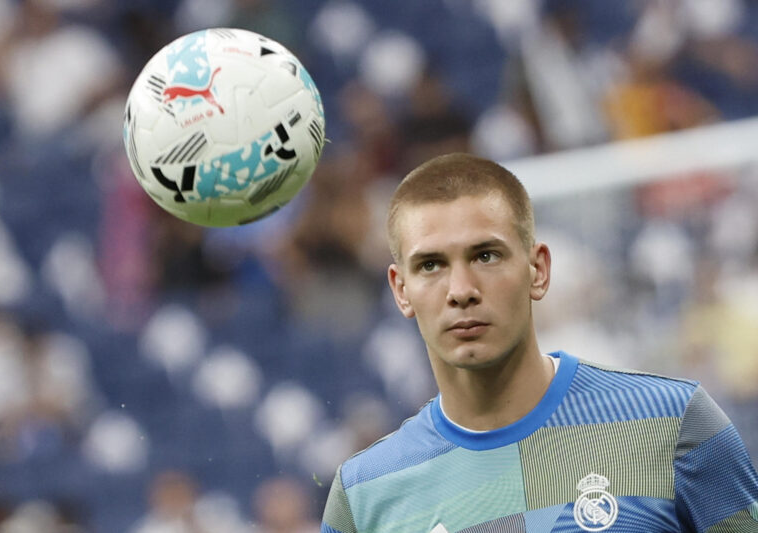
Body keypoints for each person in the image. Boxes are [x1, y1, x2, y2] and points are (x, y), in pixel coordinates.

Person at [319, 153, 758, 533]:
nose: (461, 289)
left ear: (538, 269)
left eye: (485, 255)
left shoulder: (673, 423)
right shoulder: (364, 497)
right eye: (431, 264)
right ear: (401, 290)